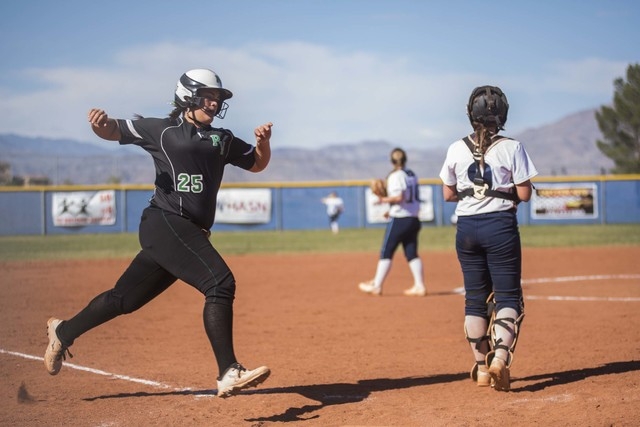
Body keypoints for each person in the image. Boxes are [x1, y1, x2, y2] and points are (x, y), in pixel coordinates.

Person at [44, 68, 273, 398]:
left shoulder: (221, 139)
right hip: (164, 222)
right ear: (187, 96)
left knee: (123, 299)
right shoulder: (160, 130)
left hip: (186, 231)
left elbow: (257, 163)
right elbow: (113, 130)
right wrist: (100, 126)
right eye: (209, 95)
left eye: (218, 97)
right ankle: (228, 371)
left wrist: (263, 144)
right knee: (220, 282)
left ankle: (63, 331)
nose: (215, 102)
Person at [438, 85, 538, 391]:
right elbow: (524, 193)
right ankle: (500, 359)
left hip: (466, 229)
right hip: (500, 227)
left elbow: (447, 193)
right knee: (507, 297)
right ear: (503, 114)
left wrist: (474, 196)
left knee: (475, 300)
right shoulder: (512, 147)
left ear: (471, 114)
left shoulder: (456, 148)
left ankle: (482, 368)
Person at [358, 148, 427, 297]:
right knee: (411, 252)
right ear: (405, 159)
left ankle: (377, 285)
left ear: (391, 161)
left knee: (386, 251)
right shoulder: (411, 174)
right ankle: (419, 286)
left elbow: (398, 197)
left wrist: (382, 200)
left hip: (400, 219)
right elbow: (407, 198)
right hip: (413, 218)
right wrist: (390, 210)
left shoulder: (396, 176)